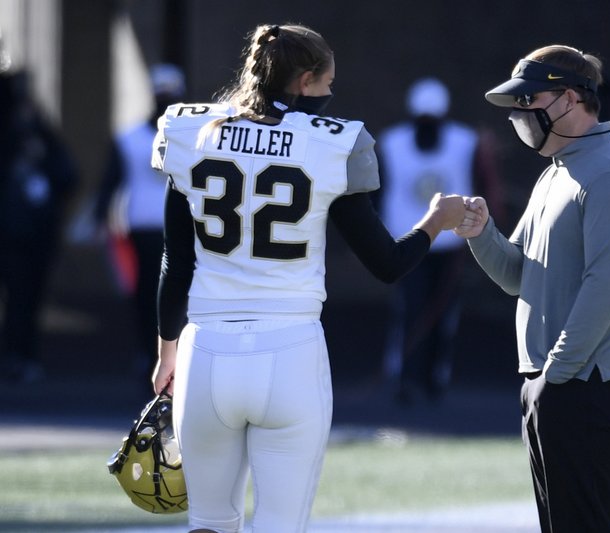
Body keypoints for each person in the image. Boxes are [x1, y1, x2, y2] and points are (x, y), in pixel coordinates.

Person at [149, 23, 470, 533]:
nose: (329, 95)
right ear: (304, 80)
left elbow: (176, 262)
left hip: (204, 351)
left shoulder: (194, 132)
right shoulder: (329, 145)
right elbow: (386, 263)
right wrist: (436, 221)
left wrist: (167, 351)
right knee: (281, 524)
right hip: (290, 349)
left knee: (209, 523)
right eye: (327, 84)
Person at [453, 45, 610, 532]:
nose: (521, 114)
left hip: (589, 383)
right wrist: (481, 233)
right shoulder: (558, 170)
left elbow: (604, 286)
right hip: (558, 382)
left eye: (530, 100)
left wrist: (557, 374)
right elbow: (518, 276)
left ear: (569, 98)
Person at [377, 77, 499, 404]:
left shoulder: (467, 141)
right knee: (410, 309)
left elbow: (485, 183)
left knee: (443, 312)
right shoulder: (390, 143)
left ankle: (434, 379)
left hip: (450, 244)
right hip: (406, 241)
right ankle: (405, 377)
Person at [93, 64, 187, 385]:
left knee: (172, 291)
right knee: (149, 293)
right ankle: (149, 353)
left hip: (172, 224)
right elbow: (111, 181)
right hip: (145, 225)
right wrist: (100, 218)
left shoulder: (190, 136)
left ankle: (168, 354)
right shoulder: (129, 138)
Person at [0, 66, 78, 384]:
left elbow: (68, 176)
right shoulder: (8, 137)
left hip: (37, 233)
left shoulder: (44, 138)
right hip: (9, 231)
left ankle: (24, 355)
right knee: (16, 298)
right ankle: (14, 355)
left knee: (29, 298)